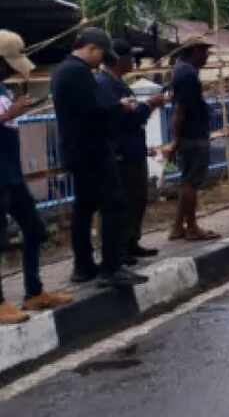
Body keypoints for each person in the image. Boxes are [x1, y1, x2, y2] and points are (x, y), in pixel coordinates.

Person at [51, 27, 147, 286]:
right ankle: (111, 268)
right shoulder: (77, 72)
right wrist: (121, 108)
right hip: (91, 150)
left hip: (76, 150)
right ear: (92, 48)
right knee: (114, 204)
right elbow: (93, 113)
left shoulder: (64, 71)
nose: (102, 61)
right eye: (102, 54)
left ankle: (83, 267)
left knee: (84, 208)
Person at [0, 31, 72, 322]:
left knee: (34, 229)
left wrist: (14, 111)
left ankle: (34, 292)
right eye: (7, 63)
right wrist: (8, 115)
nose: (10, 70)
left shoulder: (3, 90)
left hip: (10, 174)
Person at [96, 40, 166, 262]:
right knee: (124, 200)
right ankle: (120, 248)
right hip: (121, 154)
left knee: (138, 198)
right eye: (130, 57)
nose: (133, 62)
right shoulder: (105, 84)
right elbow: (123, 119)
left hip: (132, 150)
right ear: (118, 59)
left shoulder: (118, 83)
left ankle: (131, 242)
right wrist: (150, 105)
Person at [164, 41, 220, 242]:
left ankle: (178, 227)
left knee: (187, 181)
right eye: (205, 52)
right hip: (192, 136)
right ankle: (192, 228)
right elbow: (180, 110)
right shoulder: (187, 74)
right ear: (195, 51)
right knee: (190, 183)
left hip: (190, 134)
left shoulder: (183, 70)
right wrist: (176, 139)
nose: (207, 56)